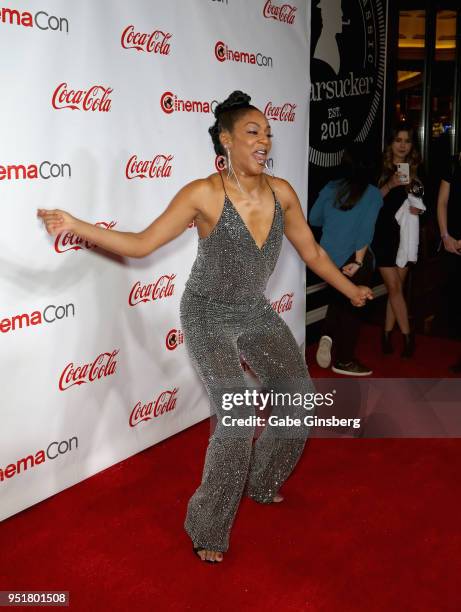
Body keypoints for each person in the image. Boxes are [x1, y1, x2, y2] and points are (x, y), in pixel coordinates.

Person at [38, 91, 372, 564]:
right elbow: (139, 244)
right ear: (226, 140)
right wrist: (77, 224)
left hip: (253, 310)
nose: (264, 140)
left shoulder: (283, 194)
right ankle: (208, 524)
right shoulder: (204, 193)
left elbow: (313, 253)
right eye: (253, 132)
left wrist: (348, 290)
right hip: (208, 313)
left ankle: (262, 480)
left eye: (268, 133)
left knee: (297, 397)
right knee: (236, 419)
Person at [310, 145, 383, 376]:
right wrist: (359, 262)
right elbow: (365, 232)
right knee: (353, 308)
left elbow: (314, 218)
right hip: (354, 259)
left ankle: (327, 335)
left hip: (326, 259)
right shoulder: (372, 193)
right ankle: (344, 361)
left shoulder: (331, 187)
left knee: (339, 300)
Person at [371, 123, 424, 358]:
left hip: (405, 236)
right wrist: (391, 184)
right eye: (398, 140)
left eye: (407, 141)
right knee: (393, 288)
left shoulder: (416, 169)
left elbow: (424, 203)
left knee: (396, 290)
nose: (402, 145)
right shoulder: (379, 168)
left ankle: (385, 334)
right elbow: (369, 202)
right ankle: (408, 336)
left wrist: (419, 210)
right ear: (391, 143)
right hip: (381, 234)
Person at [436, 153, 461, 372]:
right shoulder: (453, 164)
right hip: (453, 243)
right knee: (455, 299)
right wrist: (445, 236)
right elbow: (442, 203)